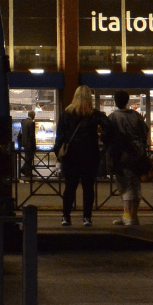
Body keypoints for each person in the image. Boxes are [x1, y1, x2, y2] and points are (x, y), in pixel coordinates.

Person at [53, 85, 112, 227]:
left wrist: (58, 154)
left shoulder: (65, 114)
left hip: (71, 155)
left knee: (70, 187)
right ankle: (87, 217)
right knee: (88, 187)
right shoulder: (94, 114)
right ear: (89, 98)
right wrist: (102, 139)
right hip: (89, 154)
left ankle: (66, 216)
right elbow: (109, 127)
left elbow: (59, 137)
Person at [108, 90, 150, 227]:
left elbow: (107, 135)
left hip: (121, 154)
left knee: (124, 186)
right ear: (127, 100)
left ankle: (128, 216)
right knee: (135, 185)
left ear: (116, 101)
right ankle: (133, 215)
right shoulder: (136, 115)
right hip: (137, 153)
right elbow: (144, 131)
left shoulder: (113, 116)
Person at [19, 111, 38, 178]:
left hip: (24, 143)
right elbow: (32, 135)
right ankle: (25, 170)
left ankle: (27, 171)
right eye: (34, 115)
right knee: (30, 158)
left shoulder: (23, 121)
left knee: (27, 157)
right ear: (33, 115)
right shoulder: (32, 122)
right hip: (30, 143)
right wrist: (34, 145)